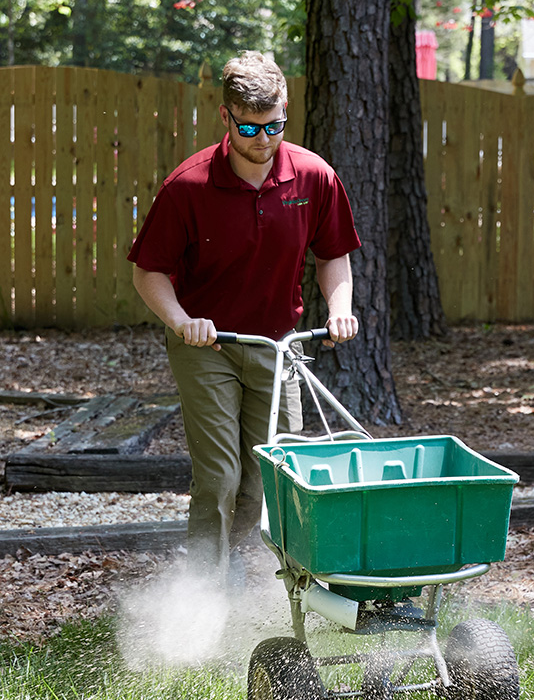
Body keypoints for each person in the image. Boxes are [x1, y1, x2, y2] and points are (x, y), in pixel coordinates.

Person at [128, 51, 360, 582]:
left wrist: (340, 308)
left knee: (270, 471)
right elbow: (149, 273)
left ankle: (250, 576)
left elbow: (333, 257)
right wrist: (182, 319)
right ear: (225, 117)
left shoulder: (313, 177)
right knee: (220, 474)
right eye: (250, 127)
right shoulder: (188, 186)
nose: (263, 139)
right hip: (207, 344)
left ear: (286, 110)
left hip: (280, 346)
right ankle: (202, 589)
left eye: (274, 125)